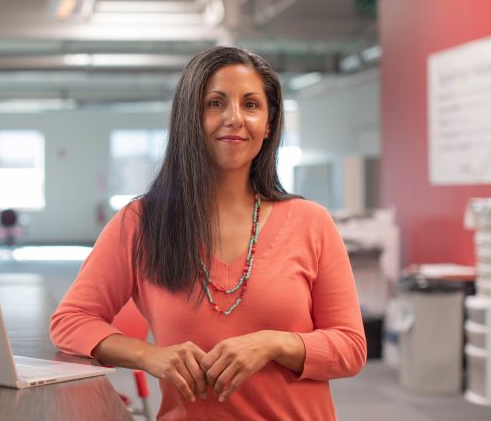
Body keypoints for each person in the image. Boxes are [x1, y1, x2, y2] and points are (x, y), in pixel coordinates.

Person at [50, 46, 366, 420]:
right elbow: (70, 322)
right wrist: (148, 355)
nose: (234, 118)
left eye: (251, 105)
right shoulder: (140, 222)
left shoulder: (311, 222)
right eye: (215, 103)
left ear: (268, 124)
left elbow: (350, 348)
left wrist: (275, 343)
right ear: (190, 118)